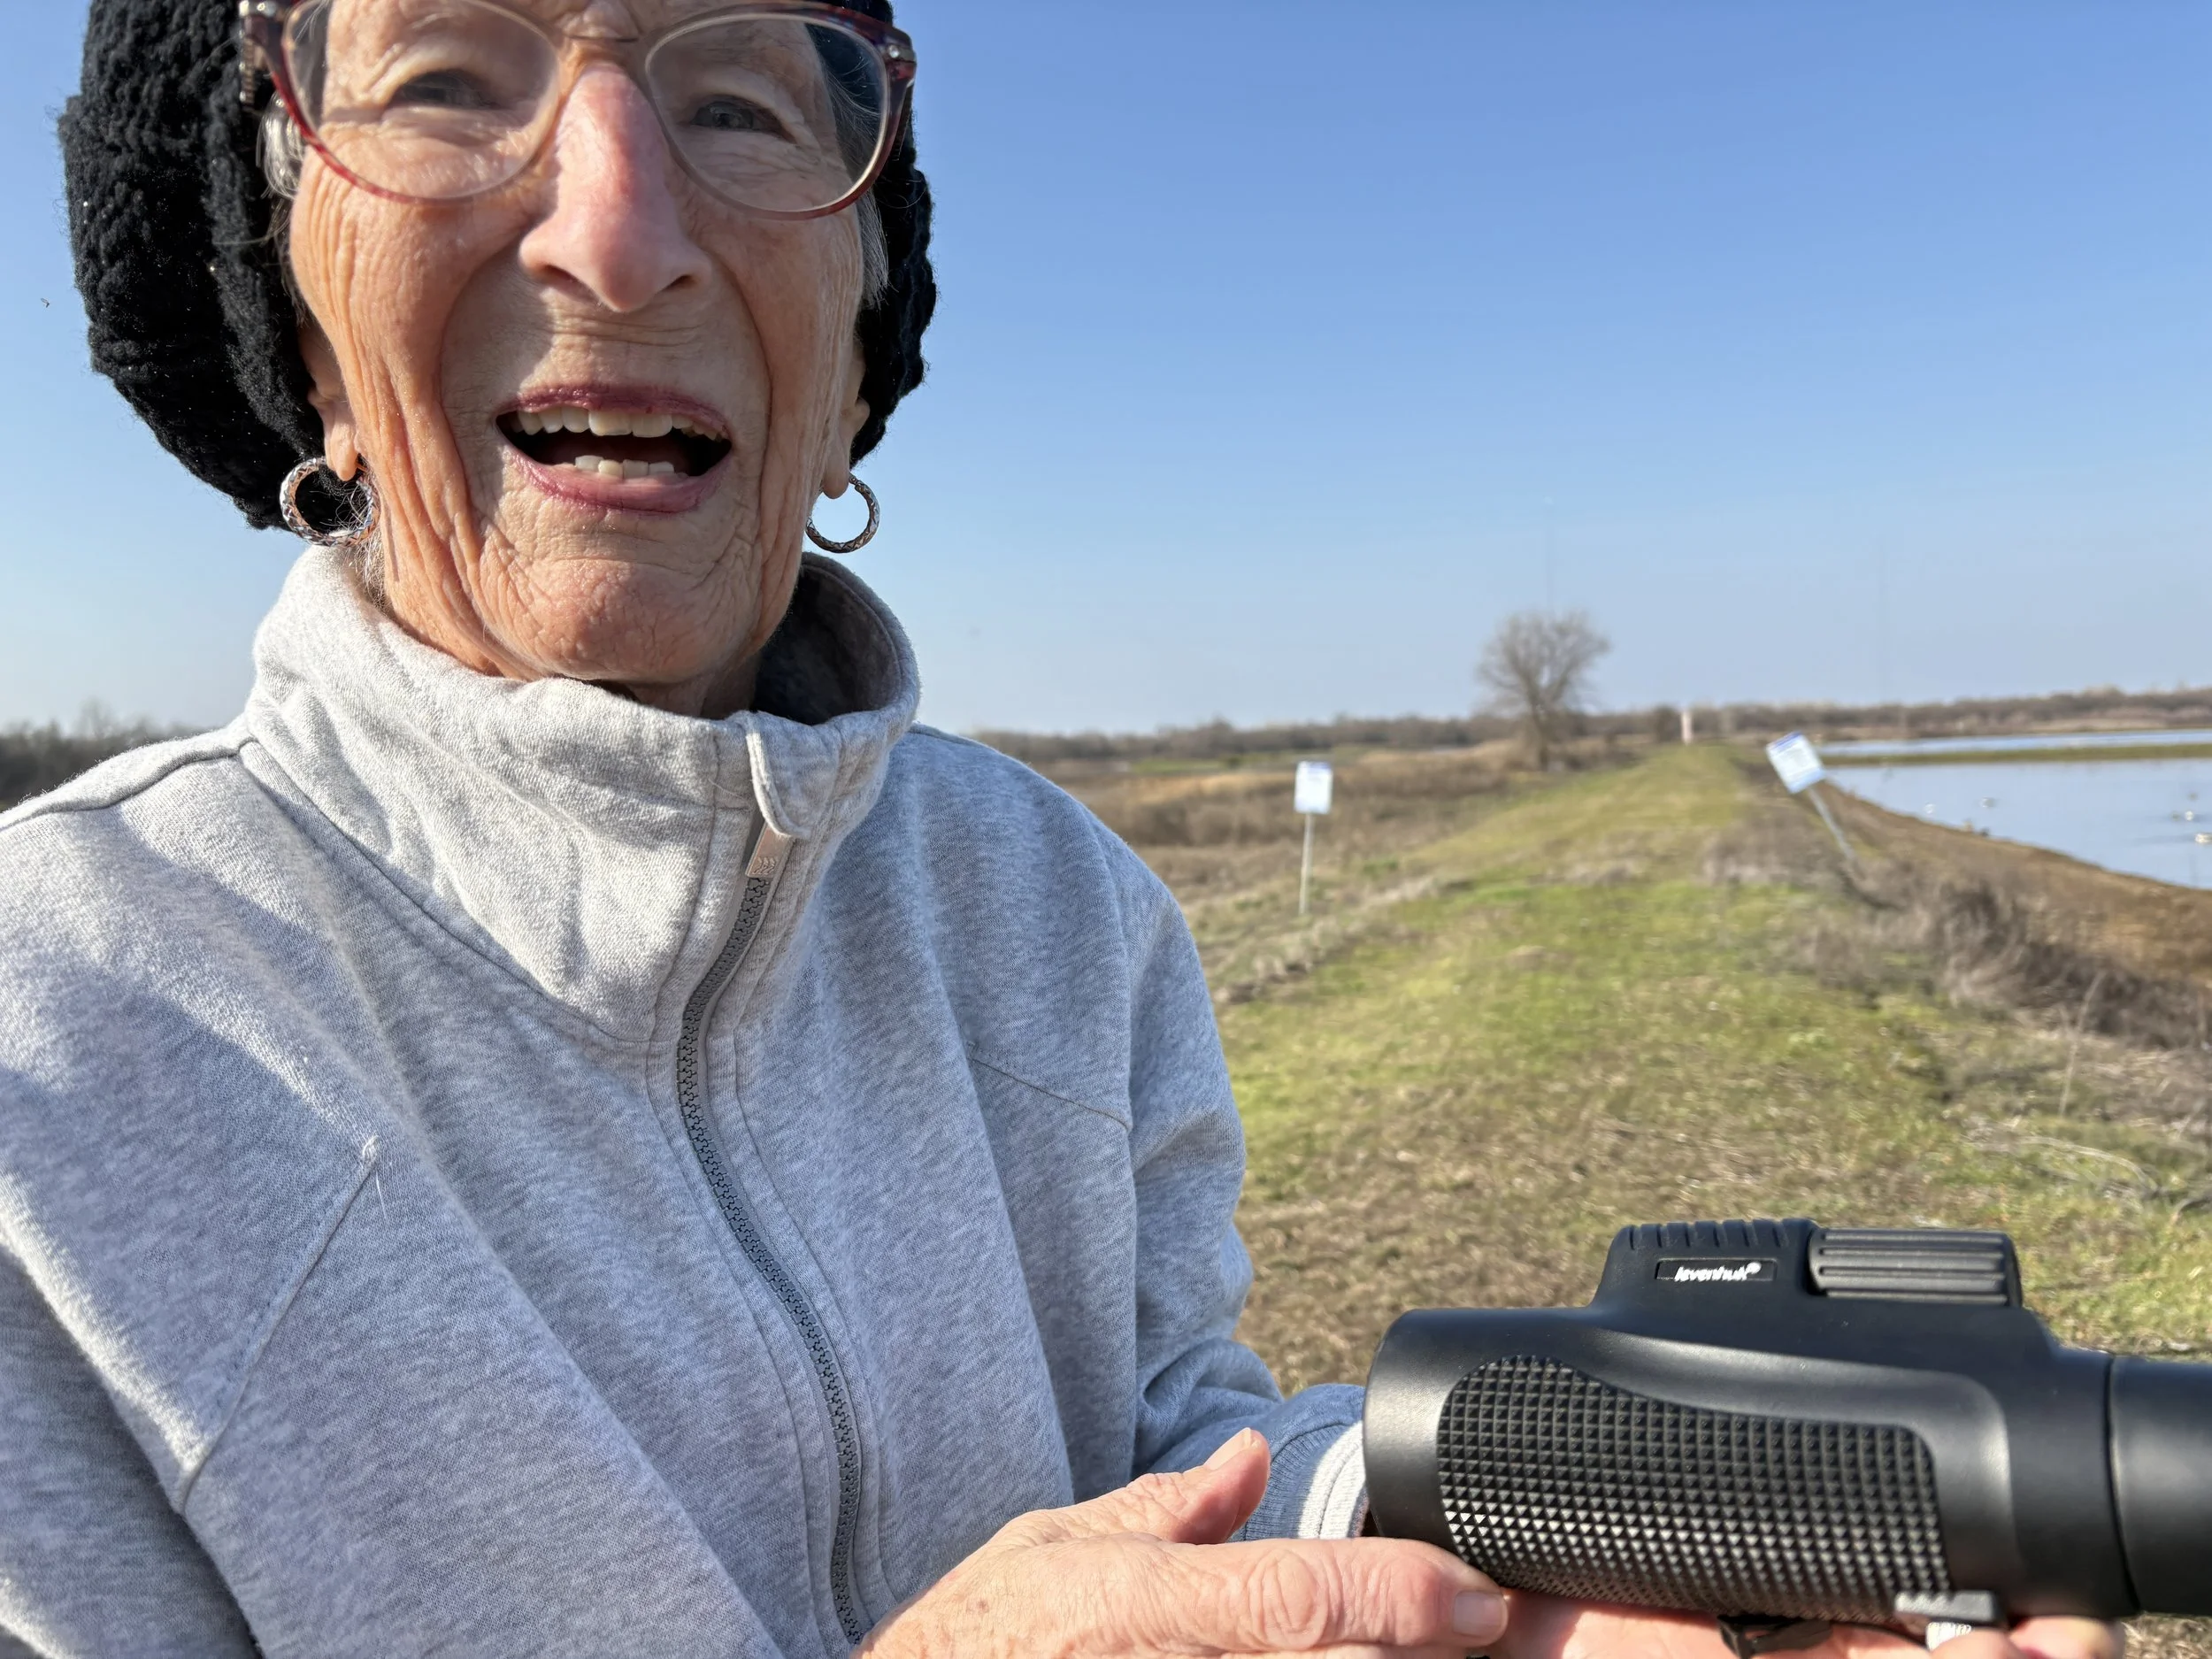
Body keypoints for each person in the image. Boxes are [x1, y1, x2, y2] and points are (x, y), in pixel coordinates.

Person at [0, 3, 2120, 1656]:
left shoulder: (1048, 905)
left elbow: (1174, 1449)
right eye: (446, 76)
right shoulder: (53, 1050)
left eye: (742, 100)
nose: (619, 226)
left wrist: (1488, 1547)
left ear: (853, 354)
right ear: (291, 325)